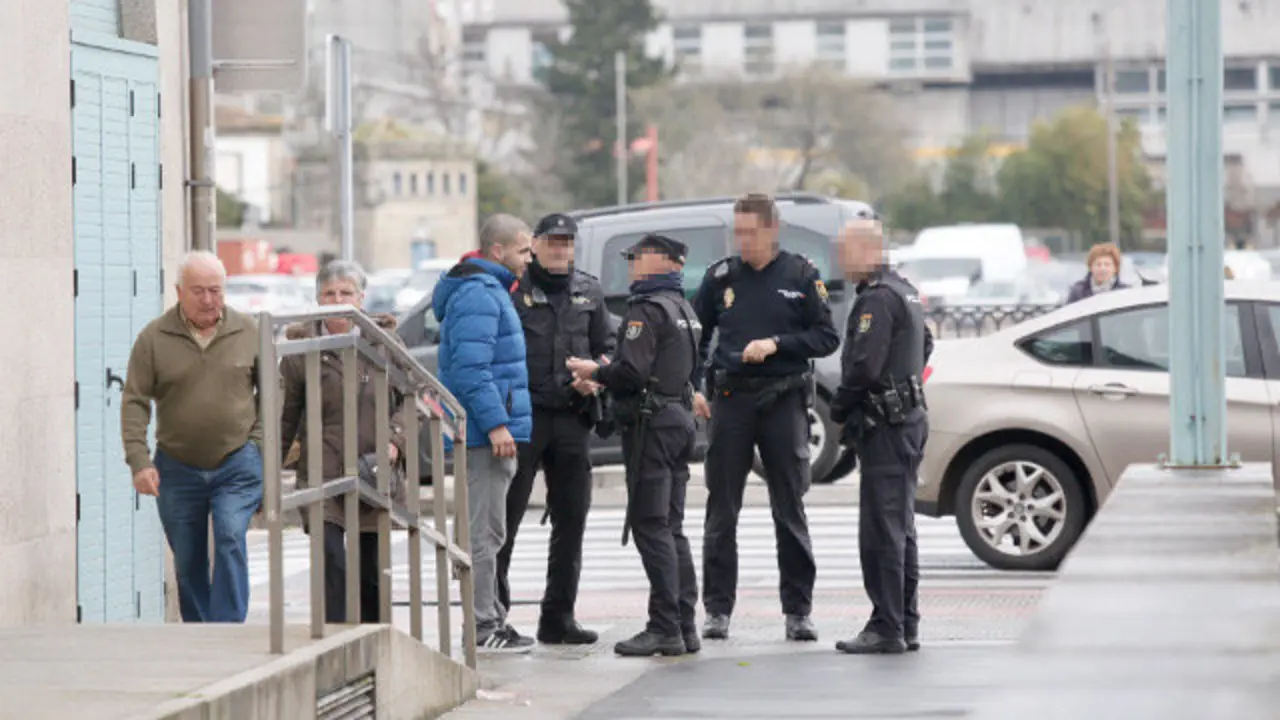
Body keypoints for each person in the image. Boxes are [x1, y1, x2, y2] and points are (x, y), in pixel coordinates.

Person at [692, 192, 841, 642]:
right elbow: (696, 335)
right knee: (722, 509)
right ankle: (717, 609)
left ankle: (798, 610)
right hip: (732, 399)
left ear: (772, 230)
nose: (743, 241)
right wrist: (694, 386)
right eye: (737, 232)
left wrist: (777, 344)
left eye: (751, 232)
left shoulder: (800, 274)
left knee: (789, 506)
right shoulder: (721, 277)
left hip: (783, 400)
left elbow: (826, 337)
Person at [567, 234, 702, 657]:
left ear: (662, 261)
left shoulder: (647, 308)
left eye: (636, 257)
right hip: (678, 419)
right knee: (672, 526)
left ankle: (665, 627)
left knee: (651, 525)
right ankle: (684, 624)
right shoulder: (683, 307)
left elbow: (632, 373)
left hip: (653, 426)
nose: (630, 264)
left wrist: (595, 371)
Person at [121, 251, 263, 623]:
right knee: (187, 558)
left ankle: (227, 629)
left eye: (216, 290)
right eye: (198, 291)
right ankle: (201, 632)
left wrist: (258, 445)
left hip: (236, 461)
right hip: (177, 465)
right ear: (179, 291)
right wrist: (139, 461)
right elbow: (135, 401)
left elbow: (273, 390)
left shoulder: (248, 331)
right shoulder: (154, 338)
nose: (208, 300)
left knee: (230, 535)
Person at [497, 212, 614, 645]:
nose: (561, 249)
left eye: (568, 242)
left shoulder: (589, 290)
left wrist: (595, 374)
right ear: (536, 244)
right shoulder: (514, 290)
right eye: (553, 241)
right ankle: (495, 617)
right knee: (505, 520)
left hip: (572, 416)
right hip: (525, 417)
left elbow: (608, 348)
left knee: (571, 519)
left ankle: (558, 618)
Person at [278, 260, 409, 624]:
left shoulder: (384, 343)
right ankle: (336, 642)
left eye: (346, 293)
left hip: (373, 471)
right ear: (318, 299)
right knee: (332, 561)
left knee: (372, 571)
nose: (338, 301)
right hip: (322, 472)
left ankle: (374, 639)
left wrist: (395, 441)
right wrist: (265, 472)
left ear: (361, 298)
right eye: (329, 293)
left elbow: (414, 400)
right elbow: (284, 417)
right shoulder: (301, 349)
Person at [433, 213, 536, 653]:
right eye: (523, 250)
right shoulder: (479, 293)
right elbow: (471, 370)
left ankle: (491, 618)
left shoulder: (488, 289)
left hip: (486, 429)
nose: (529, 259)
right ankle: (482, 626)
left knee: (488, 532)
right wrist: (496, 424)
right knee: (483, 534)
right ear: (498, 250)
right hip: (483, 433)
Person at [830, 217, 932, 655]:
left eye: (845, 250)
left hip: (886, 426)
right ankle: (905, 621)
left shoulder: (877, 298)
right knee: (900, 526)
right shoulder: (904, 290)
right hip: (907, 420)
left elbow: (864, 367)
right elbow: (925, 343)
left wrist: (840, 407)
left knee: (882, 530)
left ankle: (887, 626)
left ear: (868, 250)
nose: (840, 259)